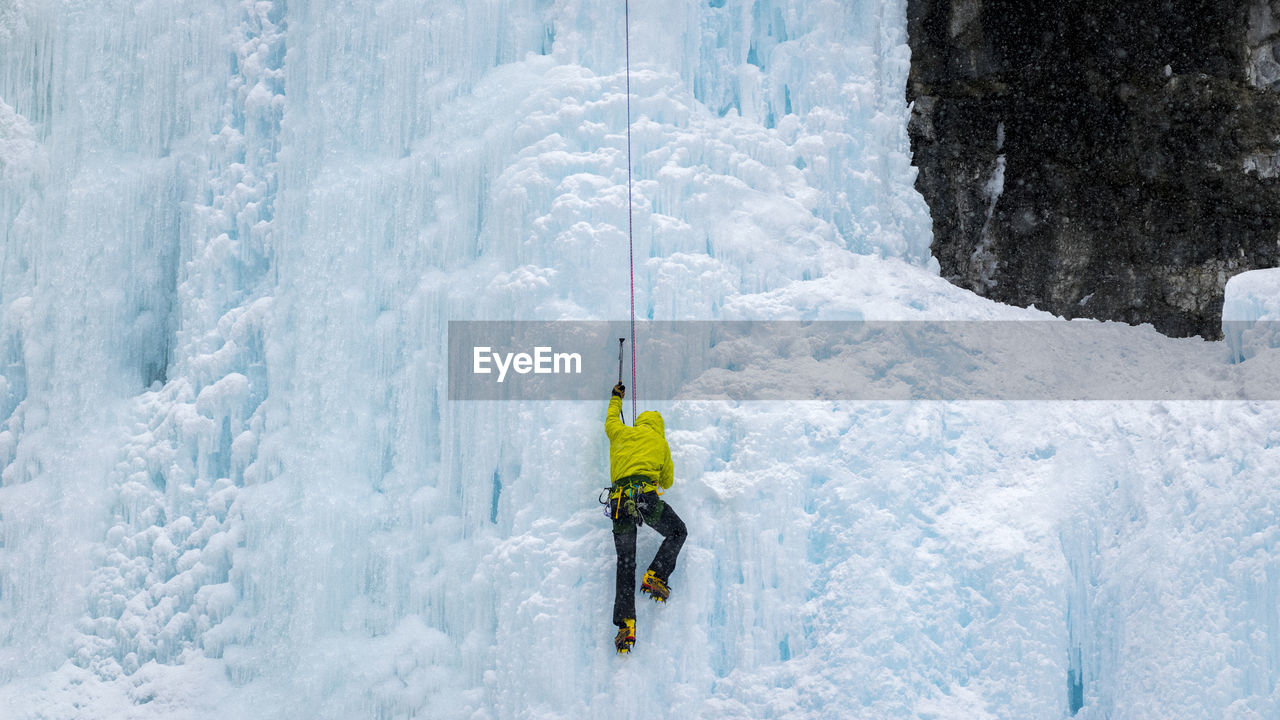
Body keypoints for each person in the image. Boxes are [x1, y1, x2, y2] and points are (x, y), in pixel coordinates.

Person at [605, 382, 687, 654]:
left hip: (619, 503)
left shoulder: (619, 433)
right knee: (677, 532)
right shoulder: (660, 442)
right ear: (658, 427)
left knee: (625, 563)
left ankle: (625, 625)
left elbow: (611, 420)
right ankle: (656, 575)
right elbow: (668, 480)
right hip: (645, 499)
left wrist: (616, 398)